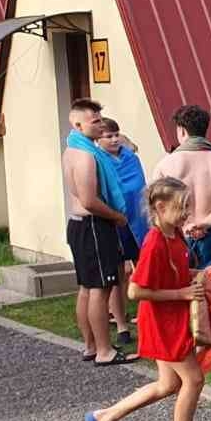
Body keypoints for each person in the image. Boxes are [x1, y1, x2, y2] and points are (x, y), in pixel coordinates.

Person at [84, 176, 211, 421]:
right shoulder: (155, 242)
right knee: (193, 379)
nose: (186, 213)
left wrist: (200, 274)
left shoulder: (175, 235)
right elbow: (135, 290)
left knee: (167, 384)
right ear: (160, 207)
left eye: (188, 206)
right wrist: (181, 293)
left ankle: (104, 417)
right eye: (182, 207)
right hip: (162, 323)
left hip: (171, 319)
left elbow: (173, 272)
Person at [62, 99, 137, 366]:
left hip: (81, 225)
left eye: (100, 118)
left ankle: (91, 346)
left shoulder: (73, 149)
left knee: (87, 287)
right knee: (100, 289)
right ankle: (104, 351)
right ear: (77, 124)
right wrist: (117, 216)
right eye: (94, 121)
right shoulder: (86, 157)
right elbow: (89, 200)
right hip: (94, 225)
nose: (100, 125)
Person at [152, 105, 211, 279]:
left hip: (177, 233)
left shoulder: (165, 164)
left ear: (182, 131)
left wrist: (185, 226)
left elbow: (156, 204)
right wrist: (206, 223)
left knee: (180, 285)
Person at [99, 118, 145, 347]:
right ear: (98, 139)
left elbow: (141, 186)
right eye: (108, 136)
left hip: (139, 221)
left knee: (144, 271)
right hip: (116, 222)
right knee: (117, 276)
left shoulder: (131, 158)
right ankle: (121, 325)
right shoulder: (99, 161)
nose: (114, 139)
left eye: (116, 134)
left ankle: (146, 317)